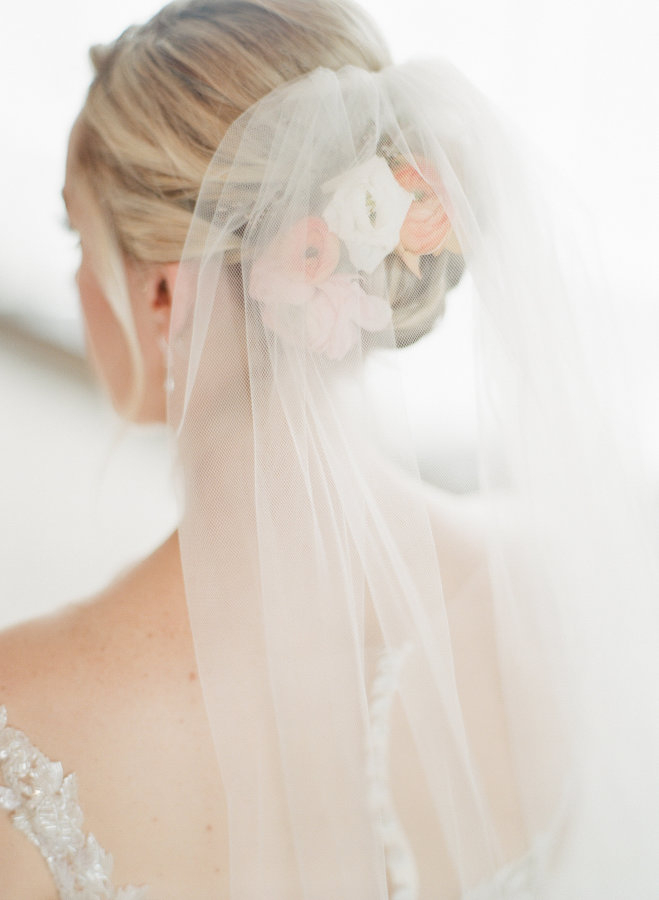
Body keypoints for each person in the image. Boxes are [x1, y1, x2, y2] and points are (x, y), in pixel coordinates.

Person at [1, 1, 658, 898]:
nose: (79, 276)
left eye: (80, 236)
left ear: (162, 297)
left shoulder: (27, 718)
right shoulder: (549, 578)